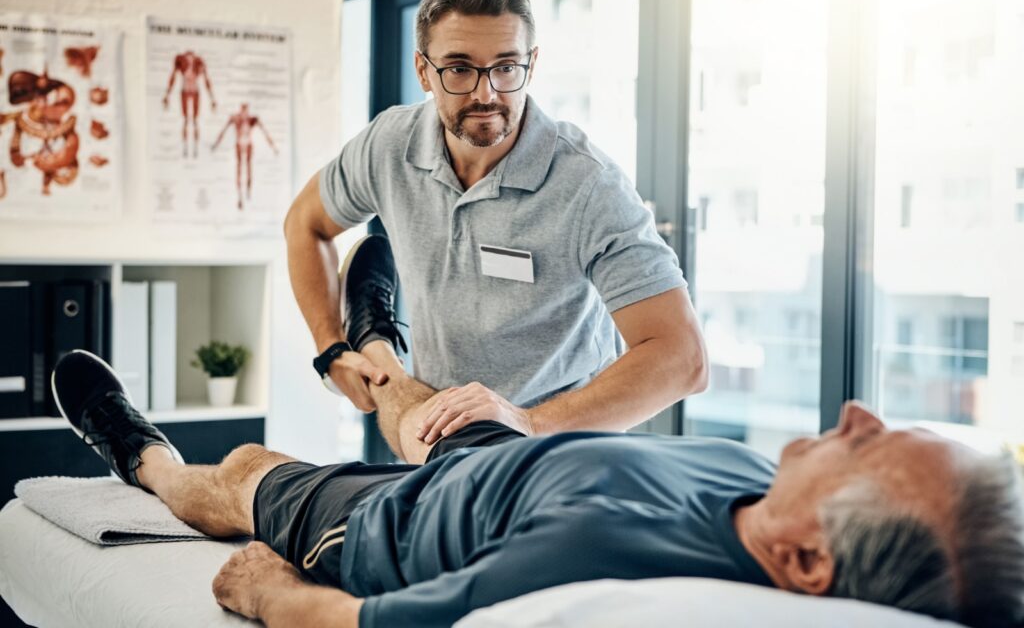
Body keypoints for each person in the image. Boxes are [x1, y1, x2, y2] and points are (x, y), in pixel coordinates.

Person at [50, 251, 1024, 628]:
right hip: (504, 459)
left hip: (389, 522)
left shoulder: (604, 568)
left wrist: (275, 595)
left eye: (873, 446)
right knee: (424, 395)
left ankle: (136, 448)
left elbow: (372, 627)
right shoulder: (769, 487)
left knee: (243, 470)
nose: (857, 413)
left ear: (809, 558)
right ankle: (377, 340)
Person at [284, 0, 708, 447]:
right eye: (460, 69)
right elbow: (305, 223)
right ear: (423, 69)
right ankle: (368, 341)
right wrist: (328, 347)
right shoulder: (389, 145)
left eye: (507, 67)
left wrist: (526, 421)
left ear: (532, 64)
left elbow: (683, 358)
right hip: (435, 425)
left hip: (555, 445)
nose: (487, 94)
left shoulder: (588, 184)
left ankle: (373, 338)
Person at [212, 102, 278, 210]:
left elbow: (265, 132)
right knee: (239, 168)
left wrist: (273, 147)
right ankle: (240, 195)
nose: (244, 113)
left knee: (248, 167)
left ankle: (248, 191)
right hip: (239, 143)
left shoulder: (252, 119)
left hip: (248, 144)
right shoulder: (235, 118)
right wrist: (216, 144)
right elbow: (224, 130)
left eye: (246, 110)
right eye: (243, 110)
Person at [162, 49, 216, 158]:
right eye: (188, 58)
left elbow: (206, 80)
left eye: (191, 58)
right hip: (185, 91)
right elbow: (173, 77)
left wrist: (212, 98)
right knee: (186, 121)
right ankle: (185, 148)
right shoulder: (180, 61)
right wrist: (167, 95)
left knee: (194, 121)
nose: (190, 60)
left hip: (195, 91)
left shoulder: (199, 62)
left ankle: (195, 149)